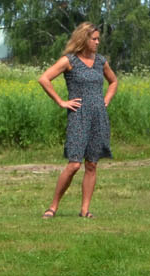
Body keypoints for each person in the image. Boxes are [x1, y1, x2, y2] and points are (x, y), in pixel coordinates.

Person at [38, 22, 118, 219]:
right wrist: (61, 102)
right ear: (83, 39)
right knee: (74, 164)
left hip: (98, 117)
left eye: (98, 39)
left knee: (92, 164)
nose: (98, 42)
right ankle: (53, 207)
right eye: (94, 39)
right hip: (78, 116)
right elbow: (44, 79)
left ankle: (85, 210)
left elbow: (113, 81)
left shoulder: (100, 61)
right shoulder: (69, 60)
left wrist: (106, 99)